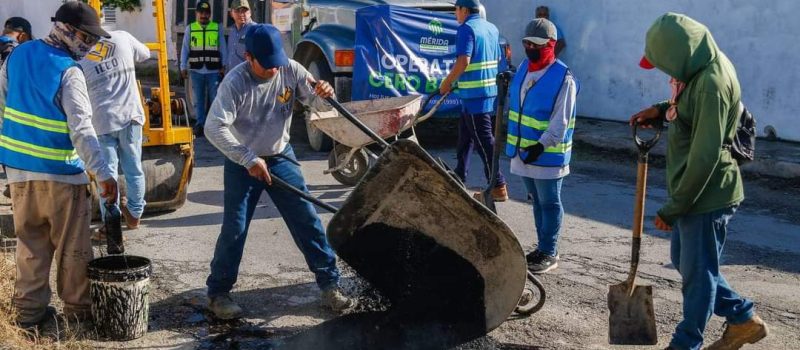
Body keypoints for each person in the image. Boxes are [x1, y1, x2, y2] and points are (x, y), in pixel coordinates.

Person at [631, 13, 767, 350]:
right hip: (694, 191)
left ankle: (686, 343)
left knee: (698, 276)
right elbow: (687, 107)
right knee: (688, 263)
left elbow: (705, 157)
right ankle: (742, 319)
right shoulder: (698, 66)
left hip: (705, 195)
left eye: (665, 65)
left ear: (680, 55)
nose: (665, 73)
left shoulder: (712, 84)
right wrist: (661, 110)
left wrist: (674, 208)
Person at [203, 24, 353, 319]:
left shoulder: (290, 68)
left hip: (280, 155)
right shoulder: (235, 83)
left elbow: (317, 102)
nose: (274, 70)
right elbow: (212, 127)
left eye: (277, 63)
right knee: (235, 228)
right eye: (267, 64)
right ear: (249, 57)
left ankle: (330, 285)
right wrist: (247, 159)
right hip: (242, 161)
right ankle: (218, 293)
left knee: (306, 219)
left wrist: (324, 92)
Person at [0, 2, 116, 331]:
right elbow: (82, 130)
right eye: (87, 37)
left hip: (20, 174)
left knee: (31, 246)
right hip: (63, 176)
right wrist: (104, 174)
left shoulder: (17, 55)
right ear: (68, 30)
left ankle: (28, 316)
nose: (90, 45)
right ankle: (79, 318)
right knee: (74, 249)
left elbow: (3, 105)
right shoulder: (69, 70)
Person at [505, 18, 577, 274]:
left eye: (537, 44)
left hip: (547, 155)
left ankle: (550, 250)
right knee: (536, 201)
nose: (530, 48)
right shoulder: (525, 67)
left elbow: (561, 121)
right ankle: (541, 247)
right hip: (522, 152)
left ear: (551, 45)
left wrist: (541, 145)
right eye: (527, 43)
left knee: (550, 203)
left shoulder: (563, 78)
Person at [80, 30, 150, 233]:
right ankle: (135, 215)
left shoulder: (79, 55)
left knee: (107, 174)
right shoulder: (122, 37)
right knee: (134, 168)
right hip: (130, 117)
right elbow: (145, 53)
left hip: (101, 122)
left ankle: (111, 226)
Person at [440, 0, 508, 201]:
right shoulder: (491, 28)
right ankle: (459, 175)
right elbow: (496, 59)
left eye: (456, 10)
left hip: (474, 94)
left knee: (483, 139)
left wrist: (447, 81)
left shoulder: (466, 29)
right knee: (466, 137)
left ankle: (498, 184)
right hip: (486, 91)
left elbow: (464, 61)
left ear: (465, 10)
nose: (455, 15)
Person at [180, 0, 227, 137]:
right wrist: (183, 66)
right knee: (198, 100)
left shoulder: (217, 27)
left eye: (206, 13)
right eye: (201, 12)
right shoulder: (191, 28)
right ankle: (200, 124)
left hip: (214, 70)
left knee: (215, 99)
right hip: (196, 70)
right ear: (197, 13)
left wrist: (223, 66)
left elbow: (223, 48)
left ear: (210, 14)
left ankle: (214, 126)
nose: (204, 15)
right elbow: (185, 49)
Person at [224, 0, 256, 71]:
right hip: (231, 75)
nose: (241, 14)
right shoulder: (232, 30)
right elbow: (230, 54)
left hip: (247, 77)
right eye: (237, 11)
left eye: (244, 11)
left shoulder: (255, 30)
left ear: (250, 13)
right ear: (231, 14)